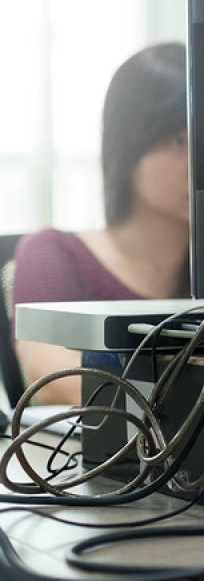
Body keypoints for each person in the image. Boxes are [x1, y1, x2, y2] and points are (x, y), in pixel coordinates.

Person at [11, 43, 189, 405]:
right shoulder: (54, 254)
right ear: (129, 148)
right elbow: (55, 383)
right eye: (179, 141)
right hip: (107, 460)